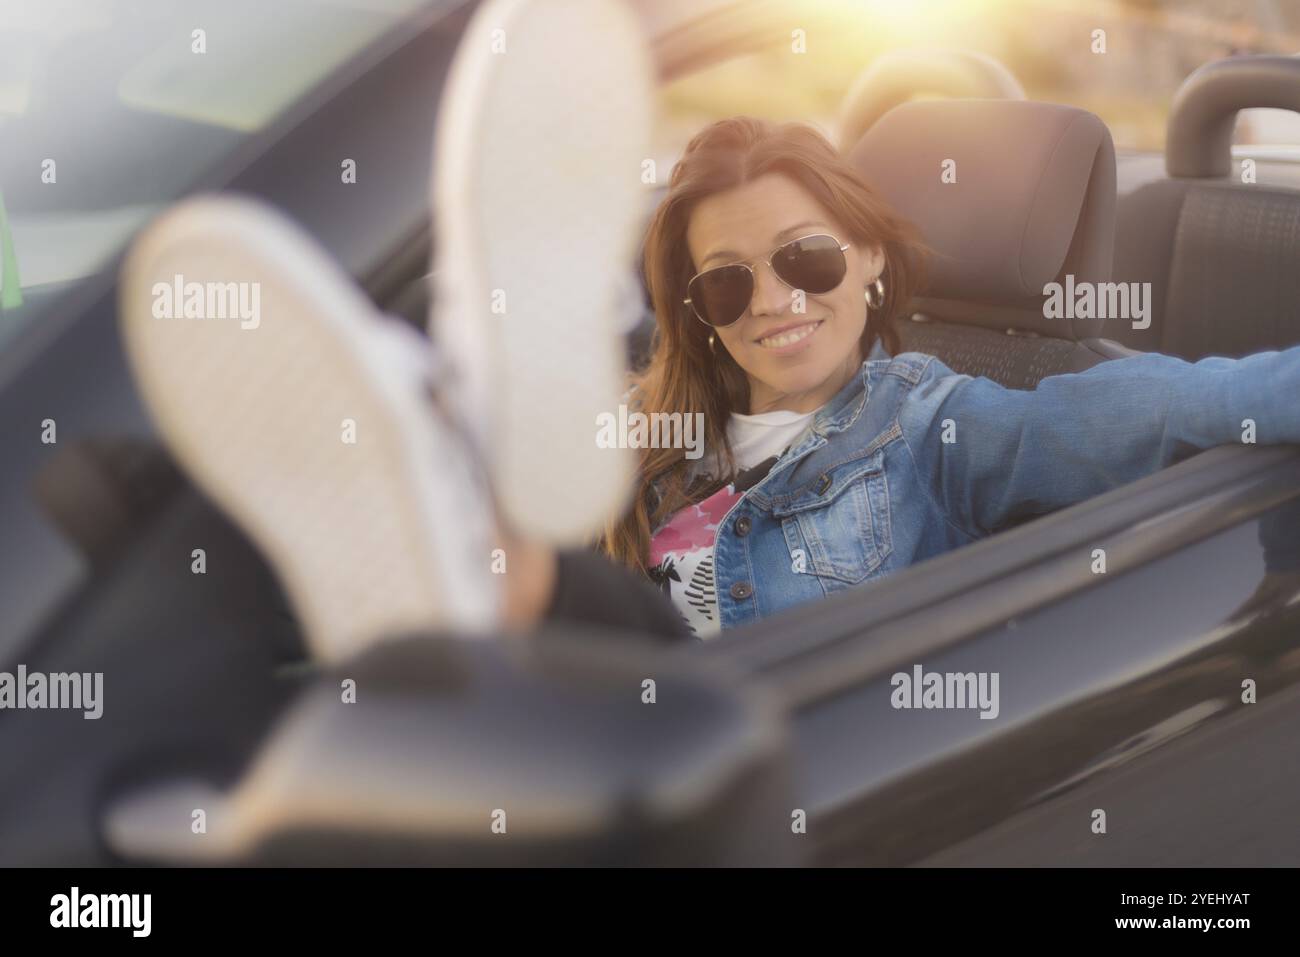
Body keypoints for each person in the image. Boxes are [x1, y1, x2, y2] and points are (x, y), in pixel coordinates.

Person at [119, 0, 1300, 662]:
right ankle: (308, 496)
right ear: (695, 310)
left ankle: (453, 496)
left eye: (807, 258)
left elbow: (1168, 405)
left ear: (872, 253)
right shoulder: (656, 421)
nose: (774, 301)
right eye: (726, 286)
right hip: (550, 713)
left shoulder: (940, 424)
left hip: (740, 738)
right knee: (188, 560)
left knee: (534, 588)